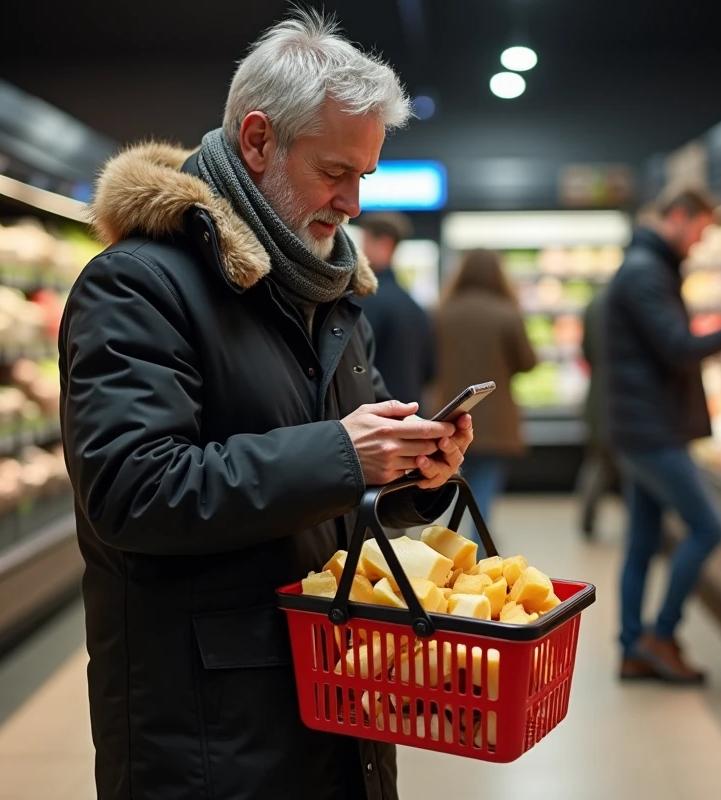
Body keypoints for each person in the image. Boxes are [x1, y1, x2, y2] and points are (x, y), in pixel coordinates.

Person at [59, 12, 473, 800]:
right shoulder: (139, 284)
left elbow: (338, 494)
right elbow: (131, 491)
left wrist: (417, 475)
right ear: (257, 141)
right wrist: (345, 455)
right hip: (211, 733)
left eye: (365, 177)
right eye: (334, 172)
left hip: (334, 700)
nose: (352, 202)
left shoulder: (329, 296)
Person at [605, 190, 721, 685]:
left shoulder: (646, 266)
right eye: (701, 229)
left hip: (638, 425)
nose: (702, 240)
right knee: (708, 528)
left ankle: (633, 647)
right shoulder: (645, 272)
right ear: (679, 216)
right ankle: (661, 635)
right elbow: (679, 347)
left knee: (642, 540)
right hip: (653, 430)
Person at [432, 249, 536, 551]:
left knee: (449, 484)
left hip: (449, 415)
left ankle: (447, 551)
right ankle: (480, 556)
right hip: (494, 420)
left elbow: (428, 364)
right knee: (484, 494)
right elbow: (527, 362)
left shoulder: (441, 313)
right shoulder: (506, 312)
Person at [353, 212, 435, 407]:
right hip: (412, 416)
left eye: (365, 242)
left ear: (385, 244)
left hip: (378, 420)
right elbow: (431, 371)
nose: (360, 251)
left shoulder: (365, 302)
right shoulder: (415, 306)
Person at [575, 285, 619, 539]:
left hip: (597, 396)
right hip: (623, 400)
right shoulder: (630, 301)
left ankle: (587, 520)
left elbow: (586, 350)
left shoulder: (594, 302)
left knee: (599, 461)